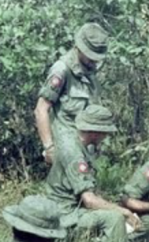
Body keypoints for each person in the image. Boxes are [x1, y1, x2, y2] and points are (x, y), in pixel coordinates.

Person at [45, 104, 139, 242]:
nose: (106, 136)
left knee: (110, 211)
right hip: (65, 215)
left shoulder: (75, 142)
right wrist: (125, 212)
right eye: (105, 132)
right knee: (114, 218)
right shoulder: (75, 154)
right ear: (95, 132)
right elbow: (89, 200)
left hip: (68, 210)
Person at [35, 22, 108, 164]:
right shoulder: (61, 71)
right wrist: (49, 149)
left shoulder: (91, 72)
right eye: (90, 56)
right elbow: (41, 110)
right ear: (78, 48)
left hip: (86, 154)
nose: (94, 61)